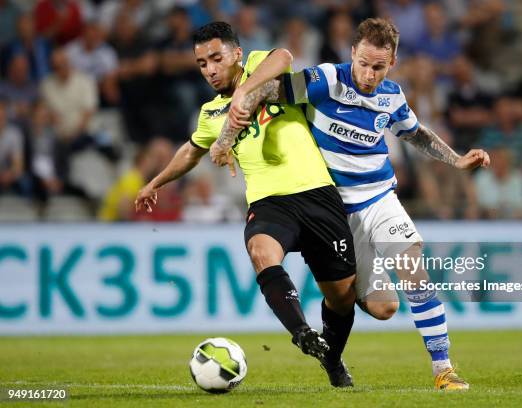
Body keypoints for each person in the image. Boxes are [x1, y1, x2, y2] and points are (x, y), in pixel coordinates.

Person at [212, 17, 490, 390]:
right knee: (383, 308)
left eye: (379, 66)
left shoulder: (391, 95)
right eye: (364, 63)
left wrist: (456, 160)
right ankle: (354, 293)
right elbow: (270, 91)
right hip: (334, 209)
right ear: (352, 53)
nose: (370, 74)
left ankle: (444, 369)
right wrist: (228, 133)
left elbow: (416, 133)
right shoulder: (327, 80)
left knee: (413, 269)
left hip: (379, 198)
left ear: (391, 63)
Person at [134, 22, 357, 388]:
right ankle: (301, 332)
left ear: (237, 54)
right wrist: (154, 182)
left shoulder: (259, 67)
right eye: (202, 63)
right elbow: (192, 151)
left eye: (216, 58)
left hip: (317, 192)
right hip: (269, 203)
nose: (210, 69)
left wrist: (245, 95)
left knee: (342, 297)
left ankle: (332, 361)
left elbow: (284, 57)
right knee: (260, 251)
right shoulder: (210, 113)